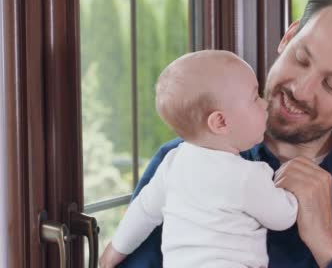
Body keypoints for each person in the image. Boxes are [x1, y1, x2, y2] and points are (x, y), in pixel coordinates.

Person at [118, 0, 332, 267]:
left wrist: (328, 243)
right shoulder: (182, 160)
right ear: (288, 36)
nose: (301, 90)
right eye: (302, 59)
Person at [99, 50, 299, 267]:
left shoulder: (172, 163)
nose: (265, 103)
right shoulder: (248, 176)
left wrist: (114, 250)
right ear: (220, 122)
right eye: (254, 98)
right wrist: (294, 188)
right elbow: (283, 217)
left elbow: (143, 212)